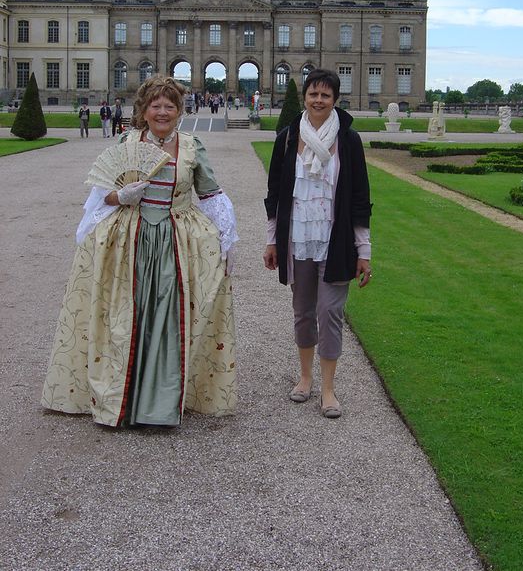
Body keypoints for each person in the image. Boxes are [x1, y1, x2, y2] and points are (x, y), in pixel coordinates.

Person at [42, 76, 238, 428]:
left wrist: (226, 238)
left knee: (166, 318)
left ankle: (157, 405)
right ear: (144, 111)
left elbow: (210, 195)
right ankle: (122, 399)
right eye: (155, 105)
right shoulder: (125, 141)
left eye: (170, 106)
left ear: (180, 111)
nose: (162, 112)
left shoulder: (192, 147)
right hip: (128, 241)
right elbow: (102, 195)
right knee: (123, 317)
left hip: (175, 242)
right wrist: (122, 196)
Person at [263, 69, 372, 419]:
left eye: (326, 95)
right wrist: (271, 241)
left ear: (336, 100)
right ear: (305, 97)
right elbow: (274, 194)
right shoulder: (287, 138)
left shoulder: (350, 141)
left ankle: (328, 388)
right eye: (313, 94)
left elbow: (359, 198)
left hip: (336, 240)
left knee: (330, 313)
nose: (318, 100)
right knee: (303, 313)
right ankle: (305, 377)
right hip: (298, 238)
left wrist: (364, 251)